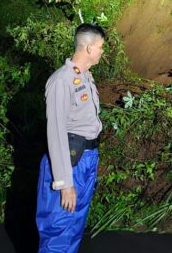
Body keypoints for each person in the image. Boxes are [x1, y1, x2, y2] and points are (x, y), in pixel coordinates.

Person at [36, 23, 105, 253]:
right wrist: (65, 183)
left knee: (75, 227)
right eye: (100, 47)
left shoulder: (85, 77)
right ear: (87, 48)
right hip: (69, 162)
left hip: (86, 160)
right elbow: (55, 132)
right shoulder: (61, 80)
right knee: (59, 227)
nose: (102, 52)